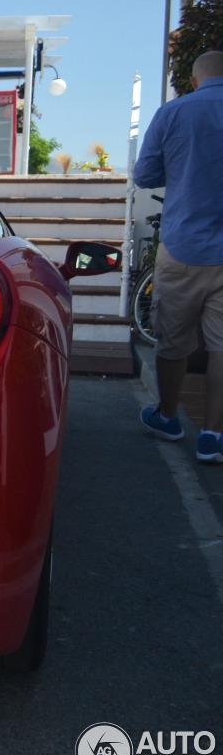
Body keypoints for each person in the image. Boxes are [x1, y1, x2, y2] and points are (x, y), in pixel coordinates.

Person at [133, 50, 223, 462]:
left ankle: (169, 417)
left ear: (192, 80)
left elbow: (146, 175)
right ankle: (213, 435)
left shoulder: (173, 113)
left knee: (172, 338)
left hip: (184, 243)